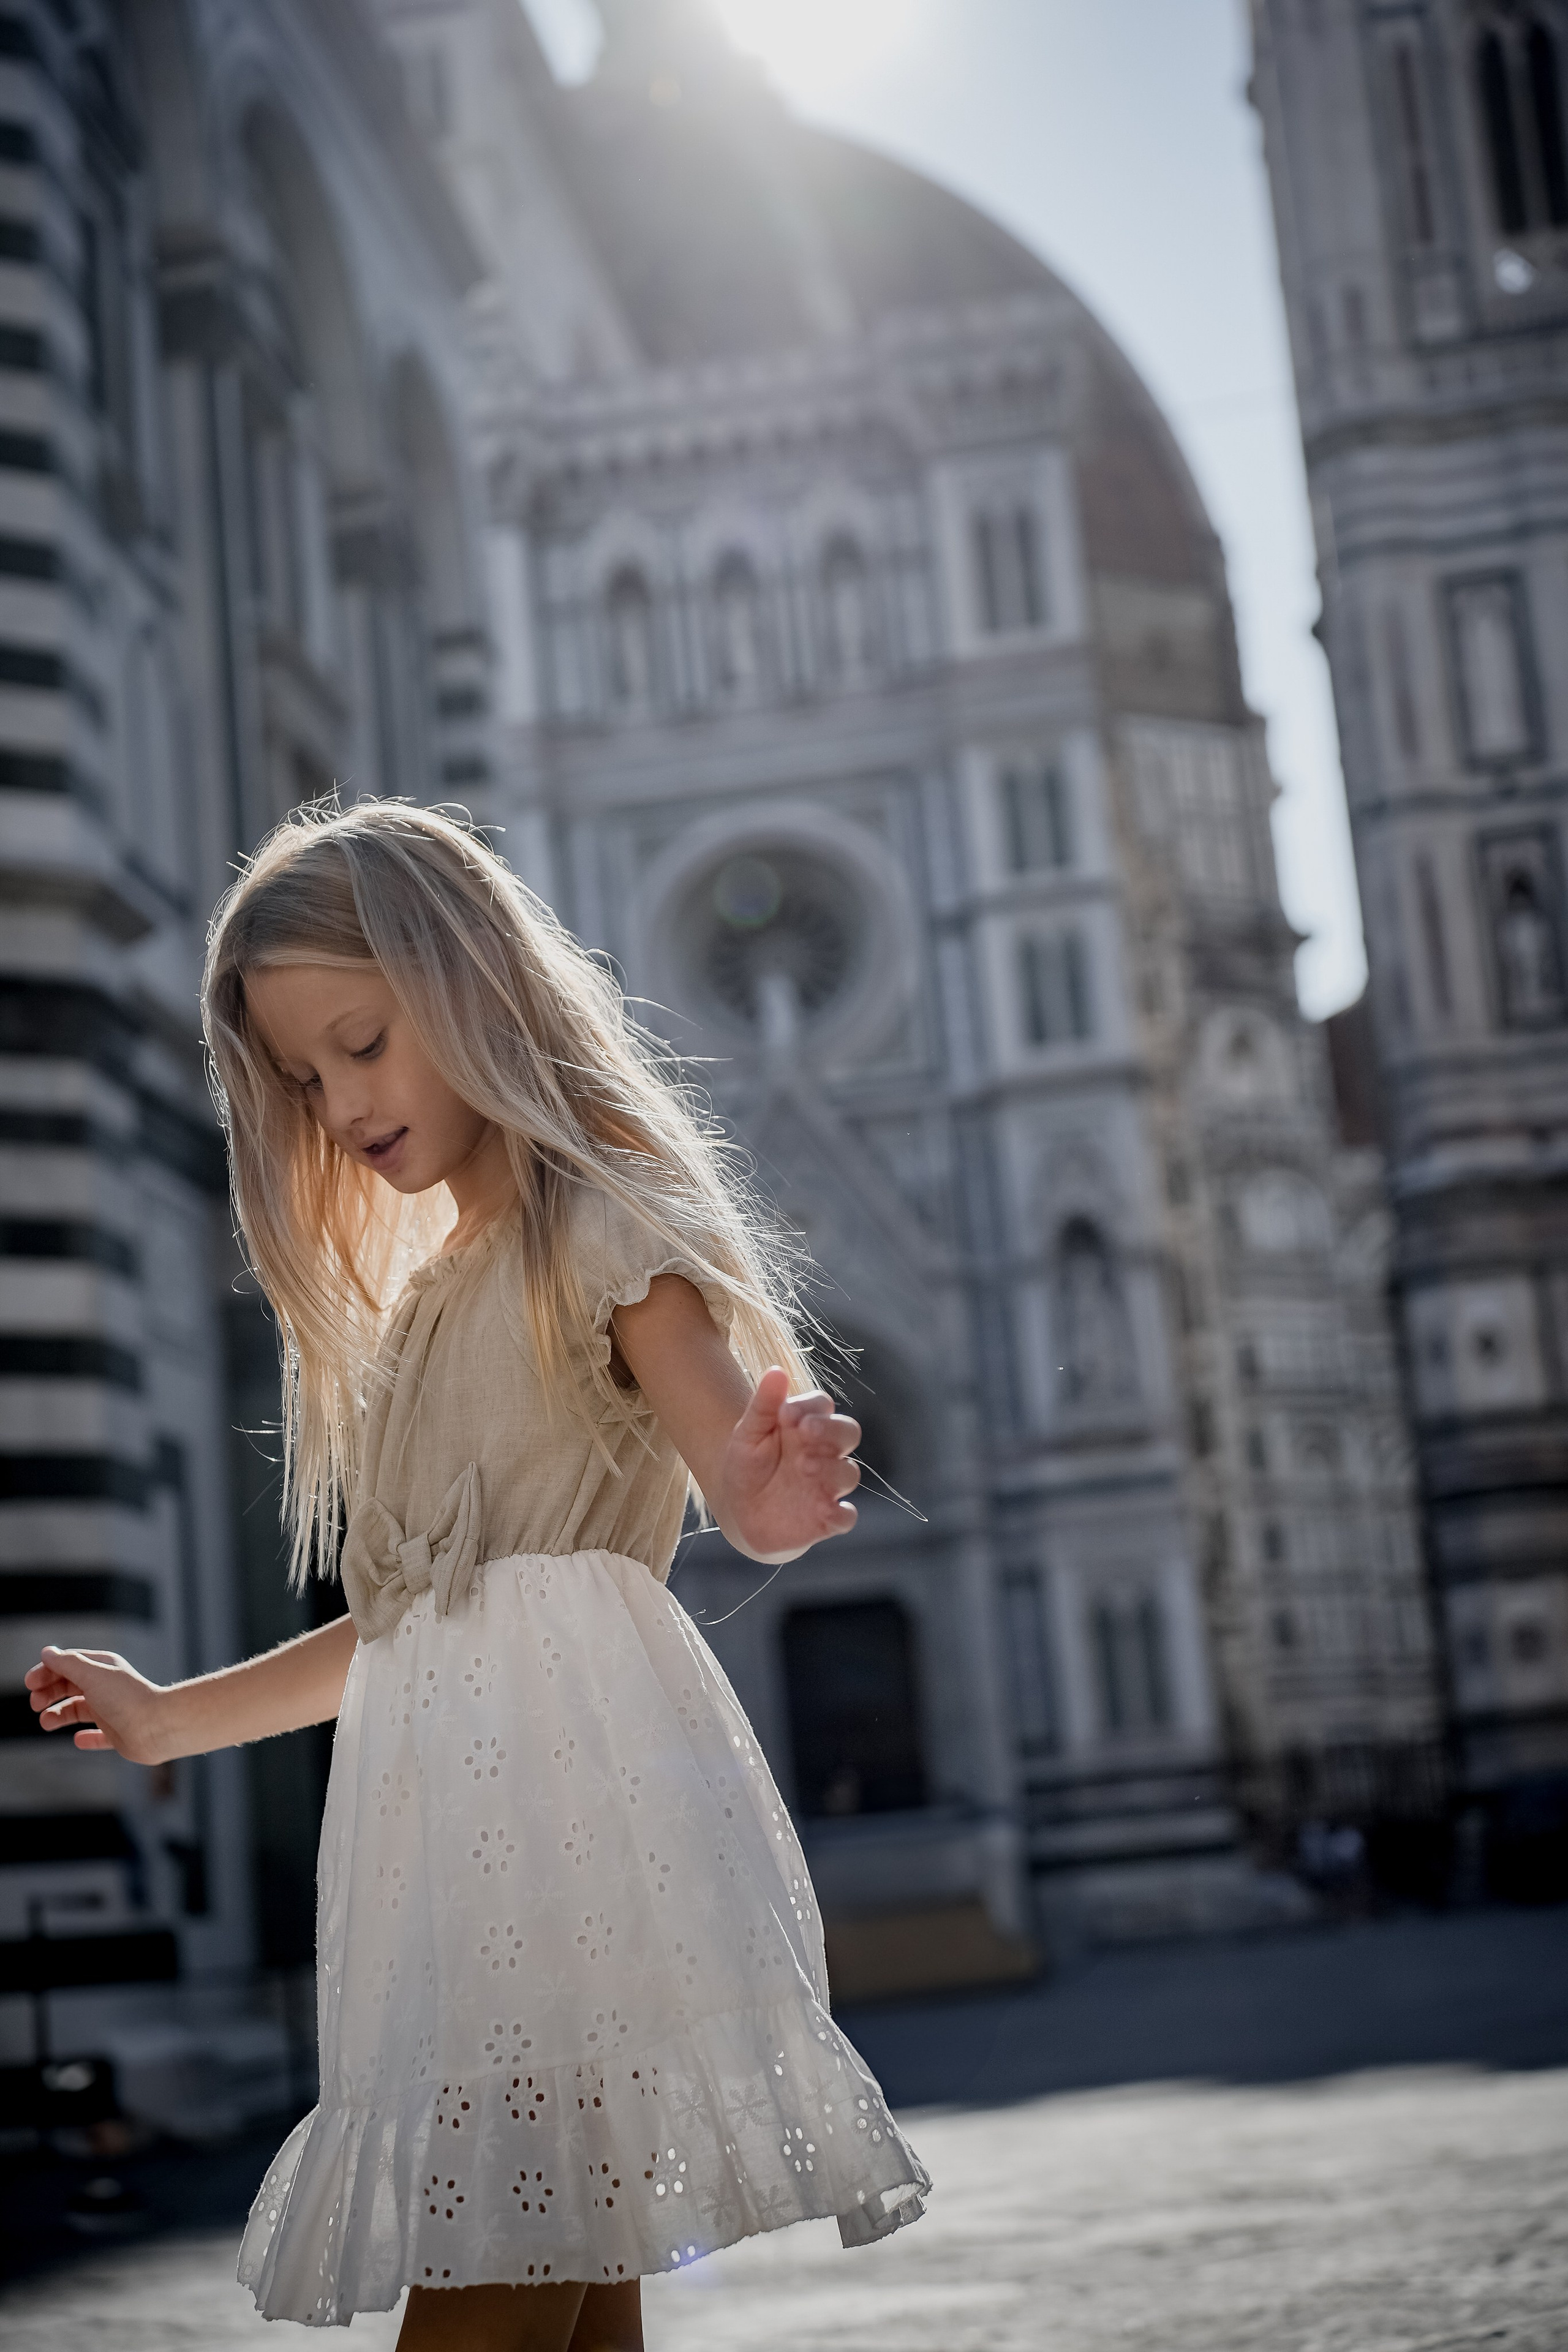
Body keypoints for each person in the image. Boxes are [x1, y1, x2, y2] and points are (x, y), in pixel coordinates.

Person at [26, 802, 929, 2348]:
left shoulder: (601, 1223)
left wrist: (773, 1493)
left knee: (493, 2278)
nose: (340, 1104)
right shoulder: (423, 1300)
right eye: (303, 1080)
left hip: (570, 1827)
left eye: (363, 1044)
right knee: (568, 2302)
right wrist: (174, 1716)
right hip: (446, 1844)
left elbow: (734, 1476)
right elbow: (405, 1626)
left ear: (476, 986)